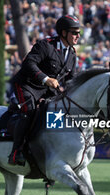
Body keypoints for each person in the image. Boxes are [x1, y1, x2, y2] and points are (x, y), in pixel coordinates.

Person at [7, 15, 80, 166]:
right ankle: (16, 152)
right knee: (29, 111)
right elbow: (28, 64)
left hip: (48, 92)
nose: (77, 36)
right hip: (27, 85)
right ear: (63, 33)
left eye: (79, 33)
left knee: (60, 111)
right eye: (74, 32)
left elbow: (71, 79)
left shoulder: (72, 54)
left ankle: (53, 153)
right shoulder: (46, 45)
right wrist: (46, 79)